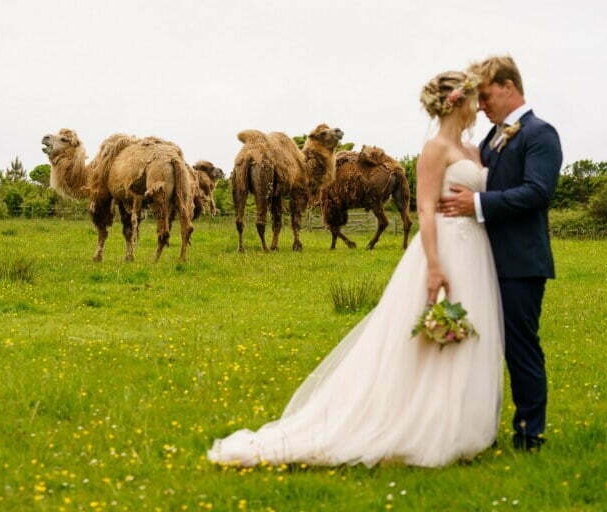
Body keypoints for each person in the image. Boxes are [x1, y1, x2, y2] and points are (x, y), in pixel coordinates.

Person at [207, 70, 504, 467]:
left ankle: (463, 422)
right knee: (435, 334)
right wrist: (434, 265)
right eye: (472, 99)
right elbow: (425, 209)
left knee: (471, 331)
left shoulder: (476, 150)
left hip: (477, 251)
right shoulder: (435, 149)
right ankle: (424, 422)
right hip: (446, 248)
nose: (478, 106)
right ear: (456, 103)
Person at [440, 55, 562, 450]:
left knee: (520, 348)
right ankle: (477, 429)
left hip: (521, 262)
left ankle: (529, 434)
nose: (480, 106)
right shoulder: (492, 138)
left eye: (487, 96)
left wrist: (477, 204)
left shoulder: (540, 134)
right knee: (483, 346)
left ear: (509, 87)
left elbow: (537, 192)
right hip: (481, 260)